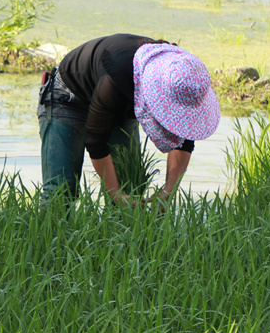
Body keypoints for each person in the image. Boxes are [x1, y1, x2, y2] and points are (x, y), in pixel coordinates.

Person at [36, 33, 221, 206]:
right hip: (69, 97)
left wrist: (168, 192)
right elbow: (95, 140)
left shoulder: (184, 77)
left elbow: (183, 136)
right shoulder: (115, 79)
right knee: (59, 194)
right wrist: (115, 194)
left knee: (130, 185)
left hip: (120, 101)